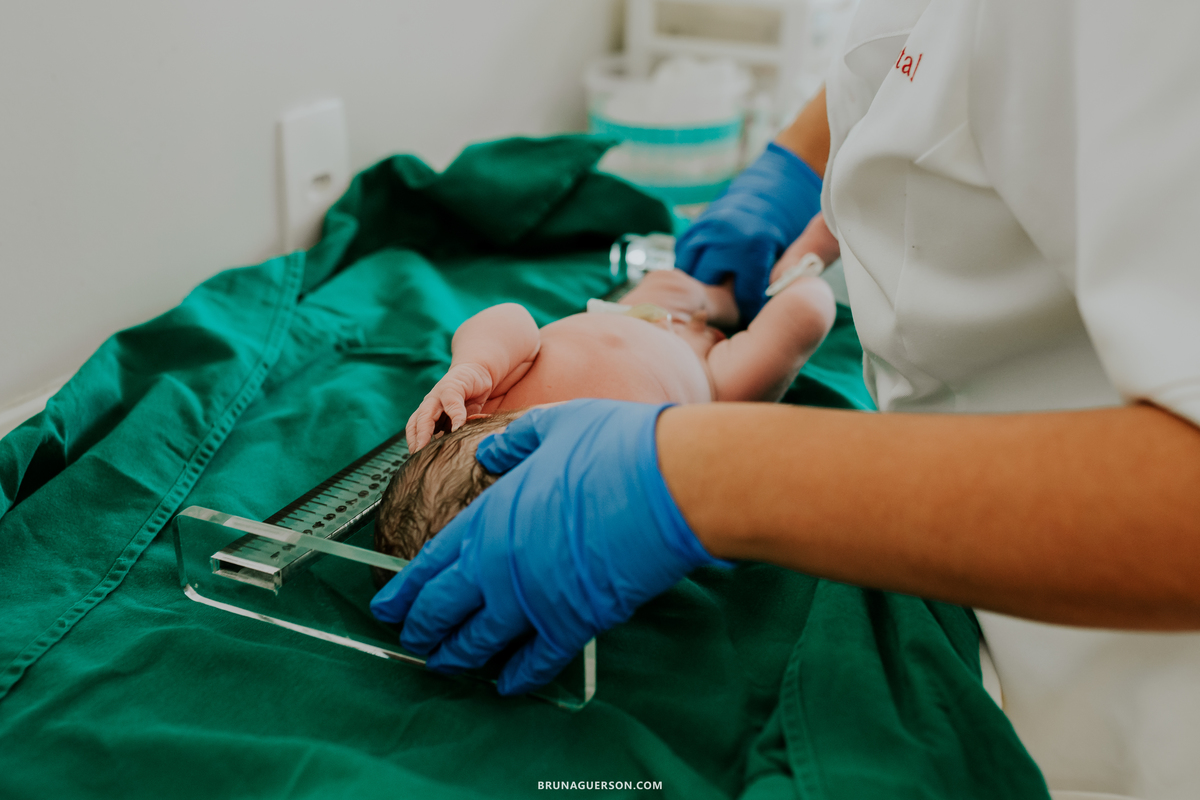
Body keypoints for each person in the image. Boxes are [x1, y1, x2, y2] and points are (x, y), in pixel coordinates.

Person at [372, 3, 1200, 797]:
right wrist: (797, 169)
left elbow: (507, 323)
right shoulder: (707, 393)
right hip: (811, 414)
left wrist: (685, 472)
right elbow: (929, 40)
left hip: (1119, 663)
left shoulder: (493, 397)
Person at [375, 263, 834, 568]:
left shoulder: (487, 398)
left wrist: (474, 366)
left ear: (470, 427)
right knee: (807, 310)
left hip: (631, 312)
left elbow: (512, 319)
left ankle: (719, 297)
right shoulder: (617, 484)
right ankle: (782, 278)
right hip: (713, 378)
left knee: (672, 278)